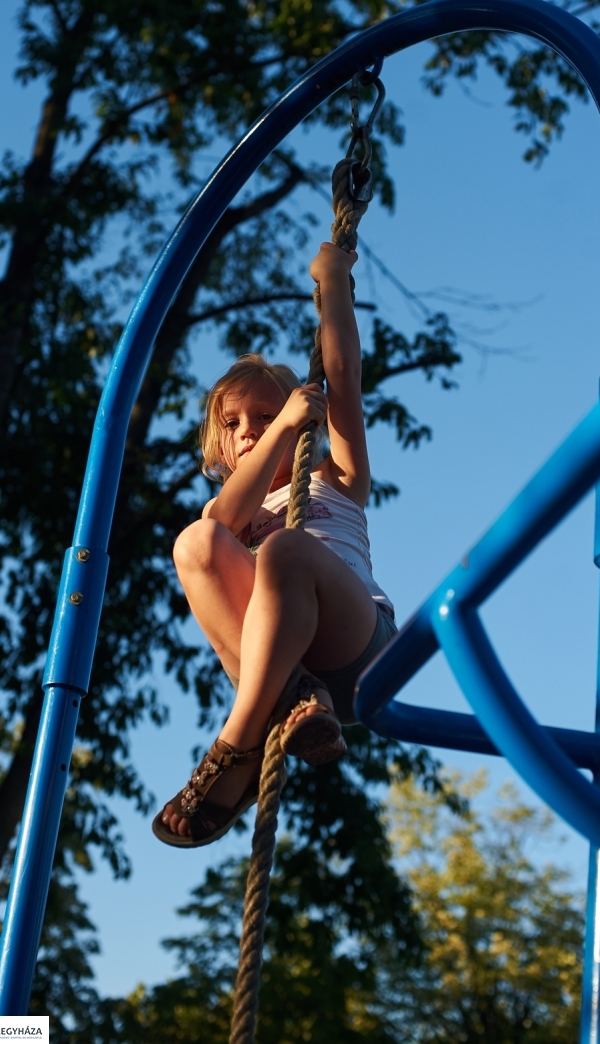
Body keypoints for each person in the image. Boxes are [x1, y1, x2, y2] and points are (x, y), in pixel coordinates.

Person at [153, 241, 397, 848]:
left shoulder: (333, 478)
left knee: (285, 551)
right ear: (217, 450)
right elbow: (224, 523)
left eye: (267, 415)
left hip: (357, 649)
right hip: (290, 677)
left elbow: (345, 380)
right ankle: (287, 702)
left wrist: (333, 282)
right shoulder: (227, 510)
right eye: (234, 425)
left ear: (305, 423)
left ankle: (236, 743)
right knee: (197, 543)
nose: (250, 431)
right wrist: (284, 424)